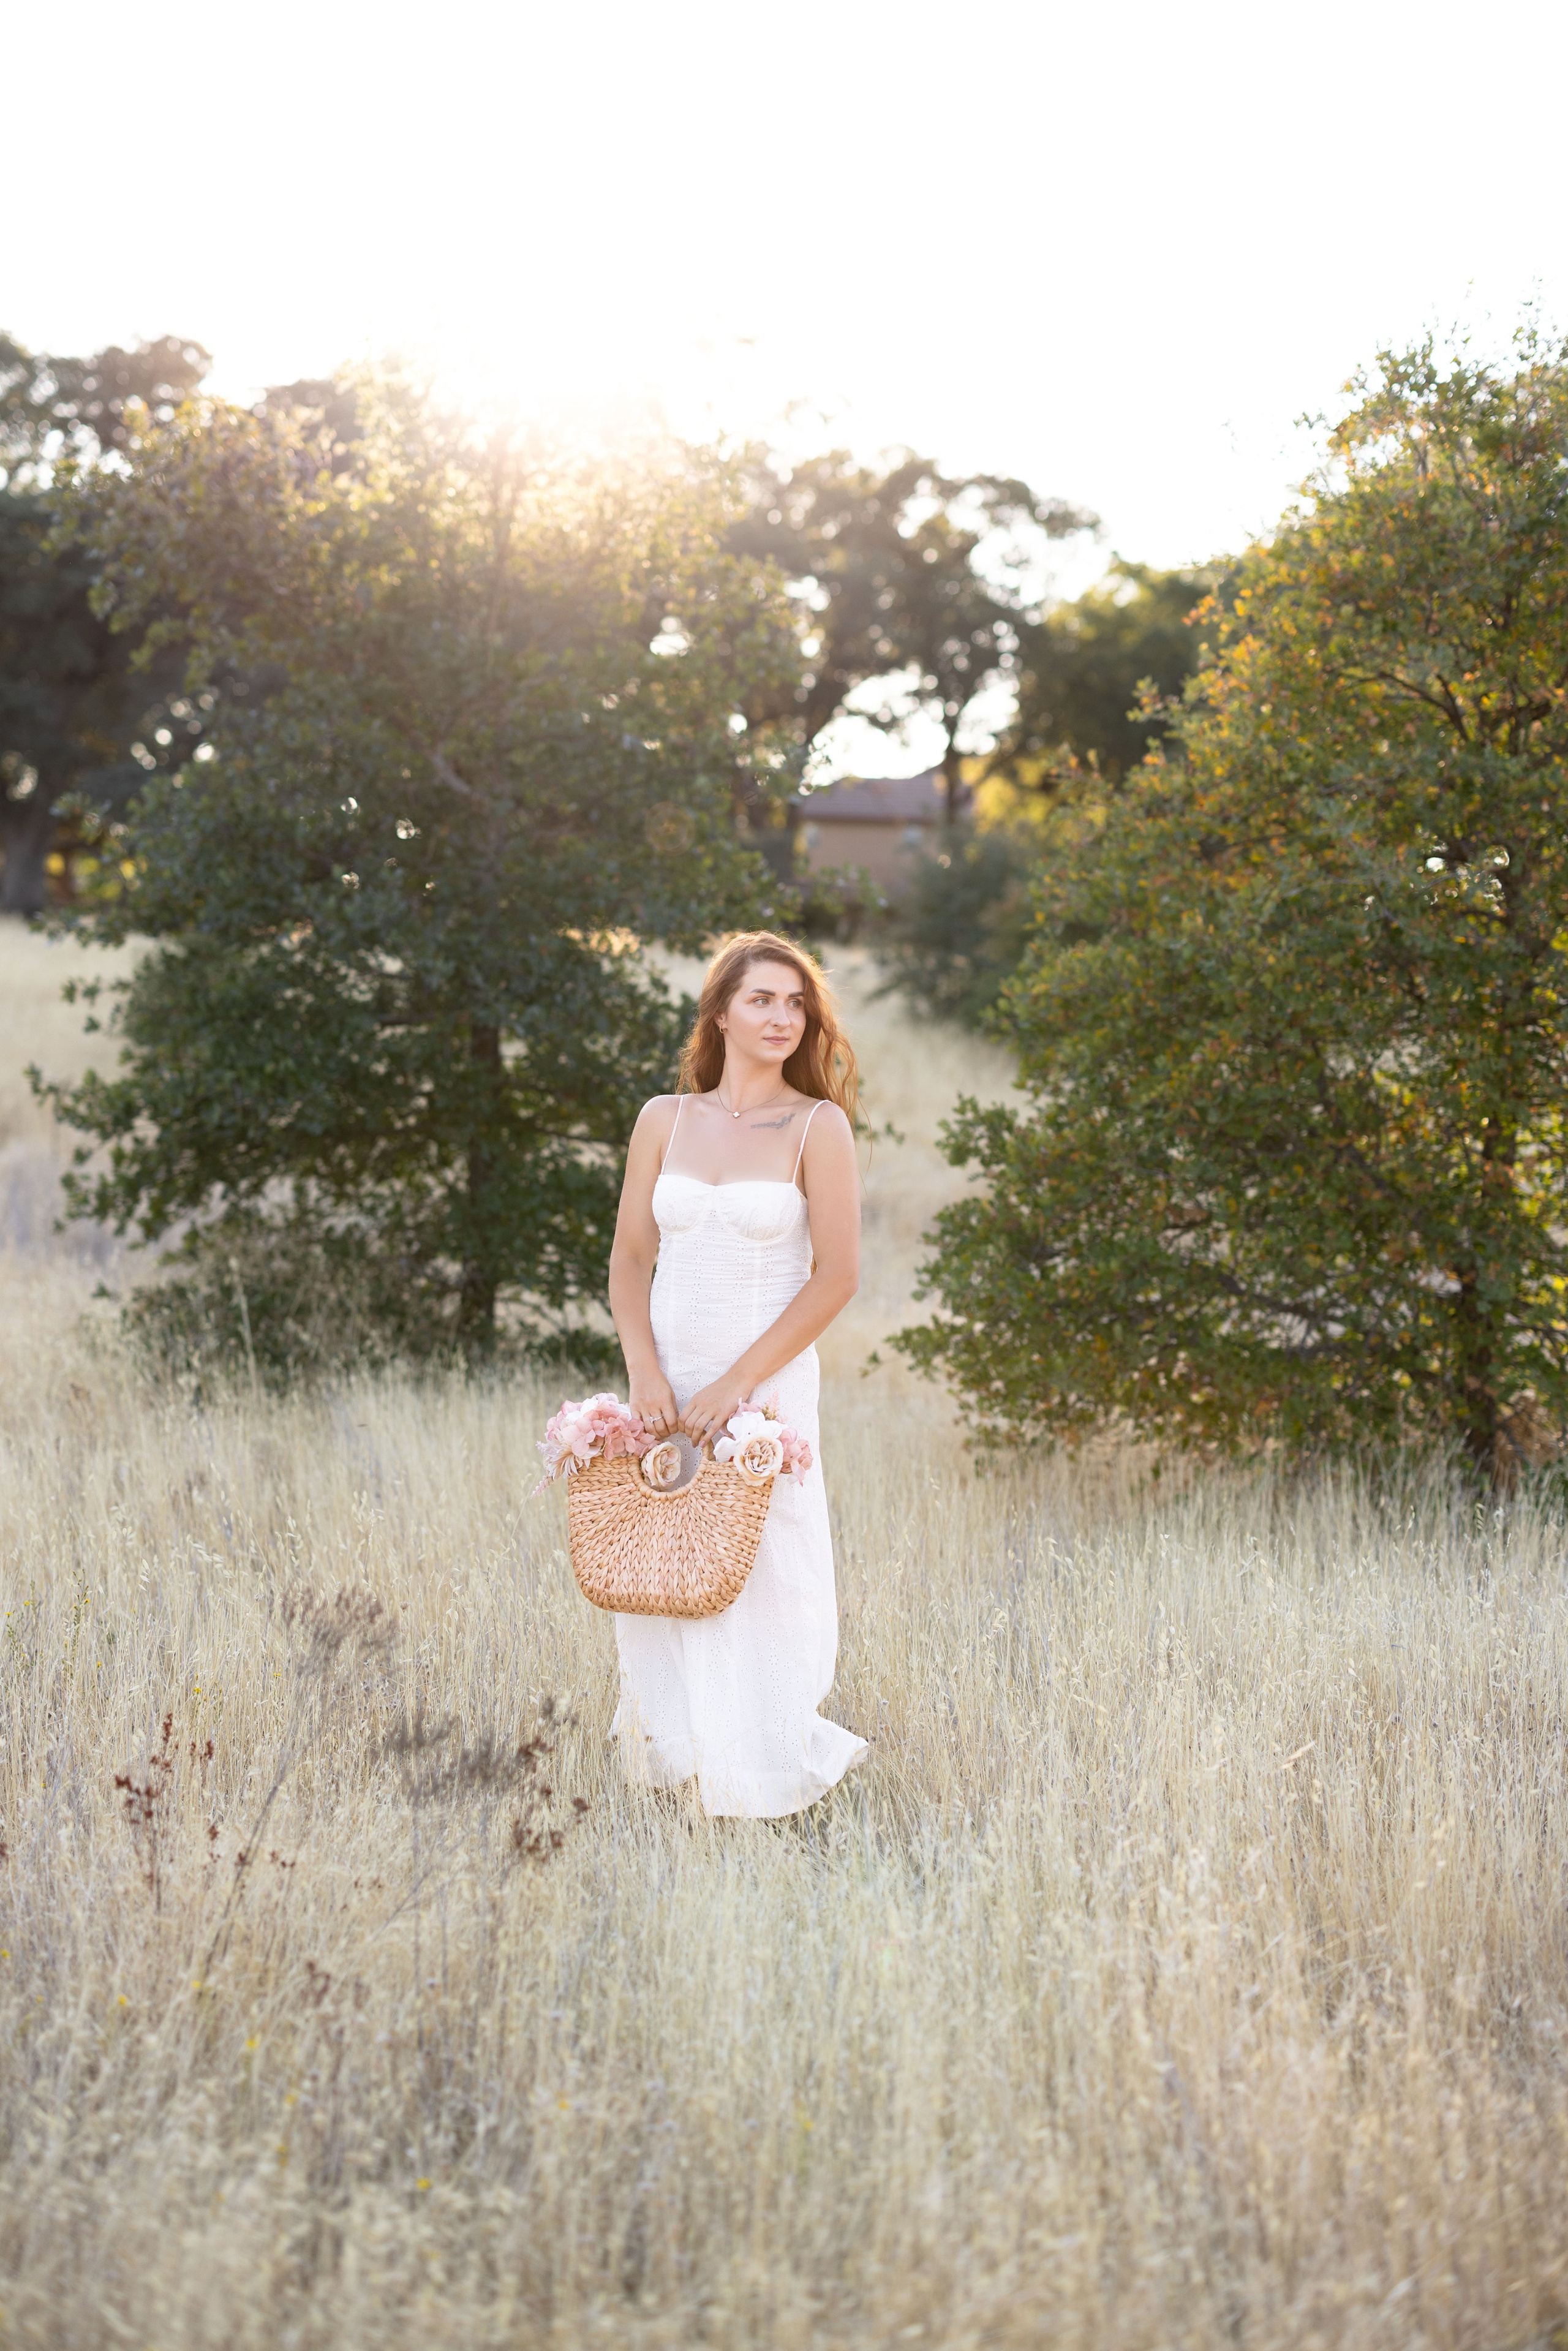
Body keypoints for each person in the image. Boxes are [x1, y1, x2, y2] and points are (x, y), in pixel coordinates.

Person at [606, 930, 869, 1817]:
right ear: (720, 1011)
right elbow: (630, 1259)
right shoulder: (662, 1120)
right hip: (668, 1386)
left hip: (766, 1386)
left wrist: (736, 1386)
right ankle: (680, 1770)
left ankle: (757, 1783)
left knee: (763, 1572)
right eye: (763, 999)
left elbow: (837, 1276)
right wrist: (647, 1373)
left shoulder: (816, 1126)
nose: (783, 1018)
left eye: (797, 1003)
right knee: (663, 1564)